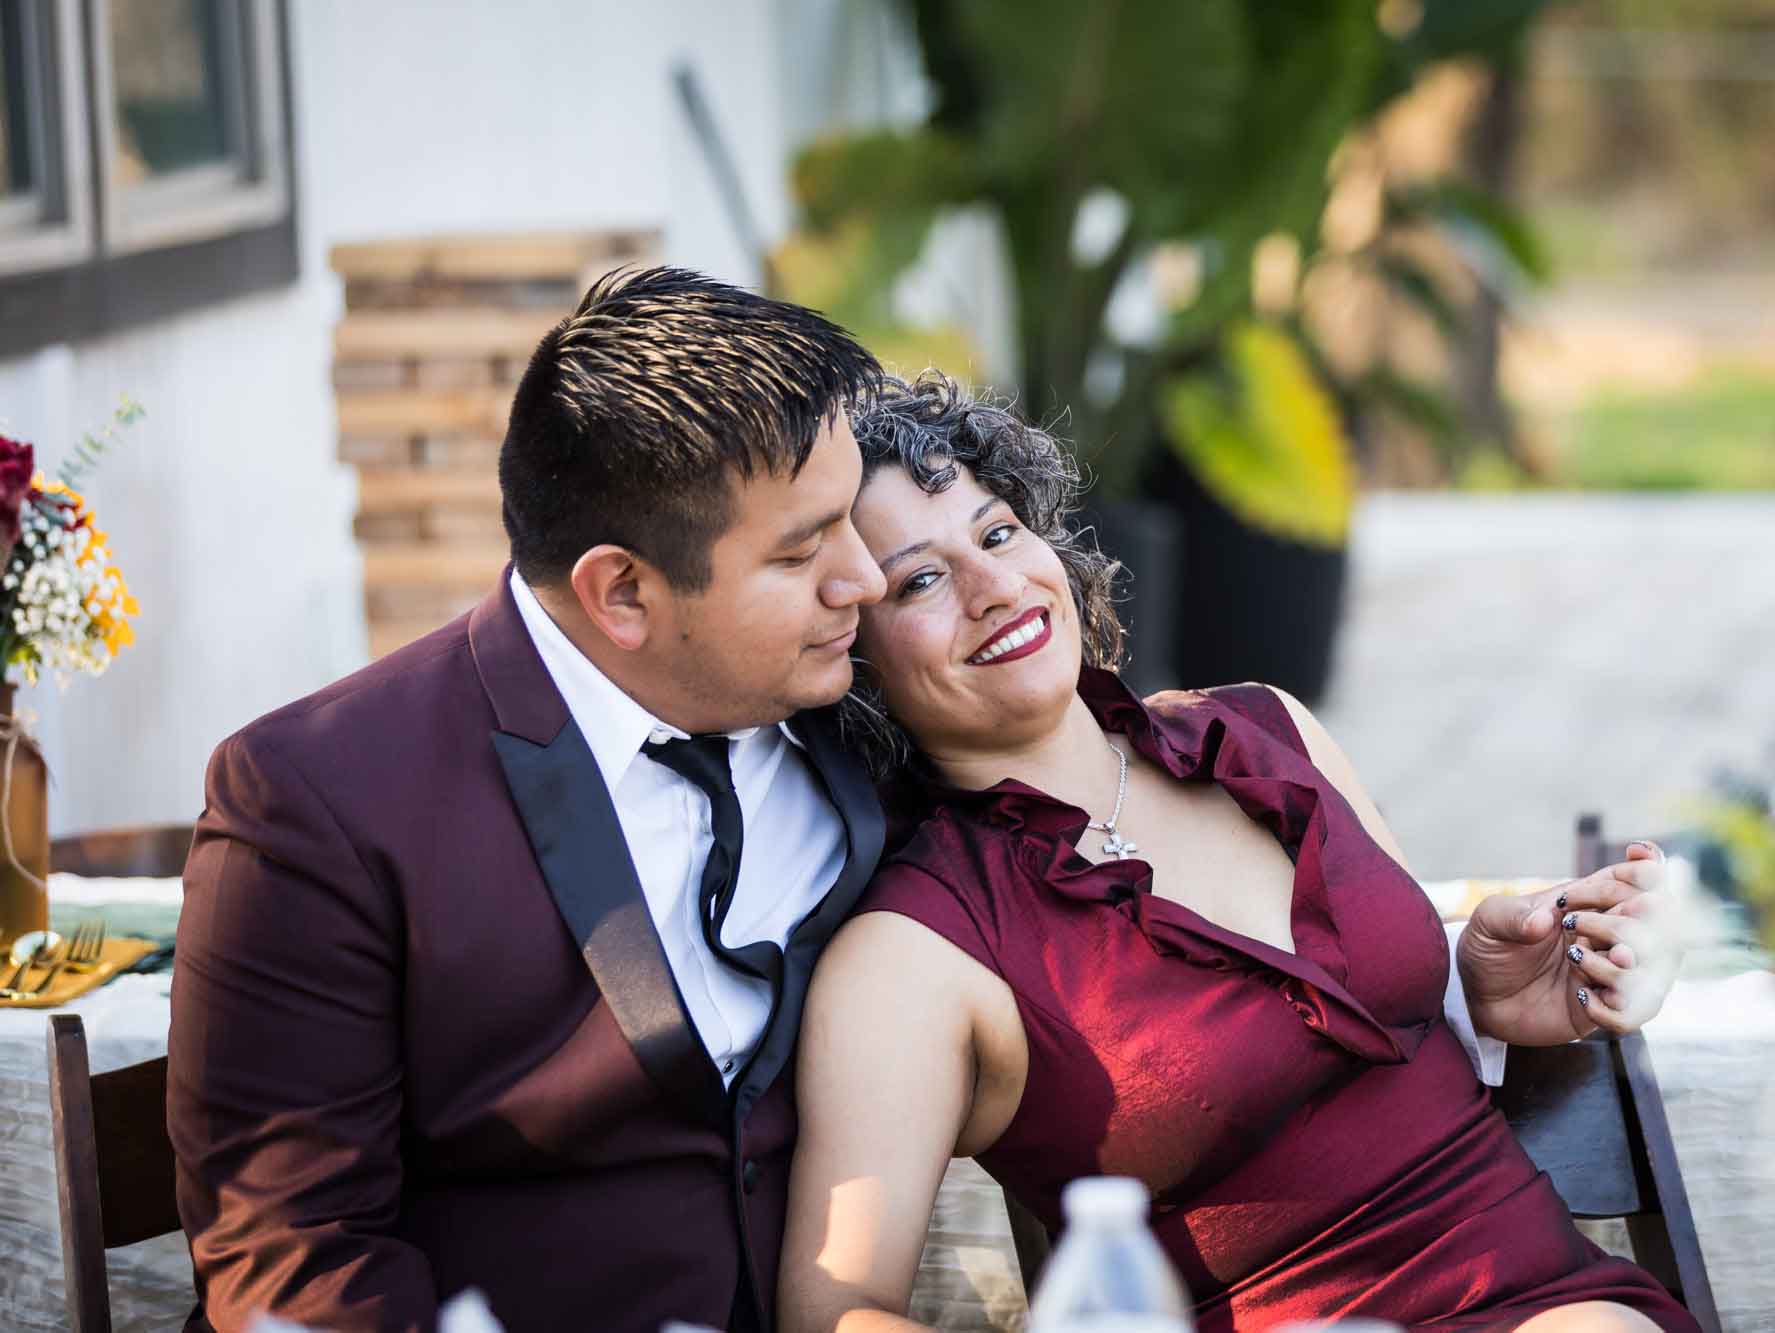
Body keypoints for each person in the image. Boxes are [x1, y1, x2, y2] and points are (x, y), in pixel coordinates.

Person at [777, 372, 1695, 1333]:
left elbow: (1351, 1036)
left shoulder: (1268, 732)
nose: (996, 585)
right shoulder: (913, 954)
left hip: (1558, 1295)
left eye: (999, 531)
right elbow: (830, 1313)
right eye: (922, 578)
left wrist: (1480, 987)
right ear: (854, 655)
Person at [167, 268, 891, 1333]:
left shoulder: (855, 708)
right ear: (622, 593)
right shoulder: (316, 801)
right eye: (801, 552)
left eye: (851, 522)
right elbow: (298, 1259)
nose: (864, 580)